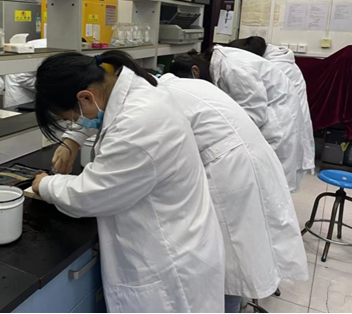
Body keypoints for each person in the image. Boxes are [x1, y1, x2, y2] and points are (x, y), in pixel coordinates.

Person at [56, 57, 309, 313]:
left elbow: (102, 177)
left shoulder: (148, 103)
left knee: (230, 269)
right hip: (242, 161)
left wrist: (57, 173)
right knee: (228, 266)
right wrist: (73, 139)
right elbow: (100, 108)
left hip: (229, 175)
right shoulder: (152, 87)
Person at [31, 51, 226, 313]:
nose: (76, 123)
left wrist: (44, 185)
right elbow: (100, 111)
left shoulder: (136, 126)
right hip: (180, 230)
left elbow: (90, 194)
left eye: (72, 118)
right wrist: (72, 140)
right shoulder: (131, 84)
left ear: (85, 97)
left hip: (170, 262)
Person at [171, 46, 305, 192]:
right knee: (264, 185)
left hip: (276, 123)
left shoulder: (232, 68)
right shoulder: (220, 65)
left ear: (195, 71)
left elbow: (254, 113)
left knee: (269, 184)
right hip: (271, 116)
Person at [228, 37, 316, 190]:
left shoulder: (274, 66)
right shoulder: (278, 60)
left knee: (273, 183)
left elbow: (255, 105)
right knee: (275, 184)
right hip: (287, 123)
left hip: (283, 126)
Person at [4, 39, 47, 107]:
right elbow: (22, 78)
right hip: (21, 94)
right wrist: (49, 87)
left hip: (35, 92)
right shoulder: (40, 47)